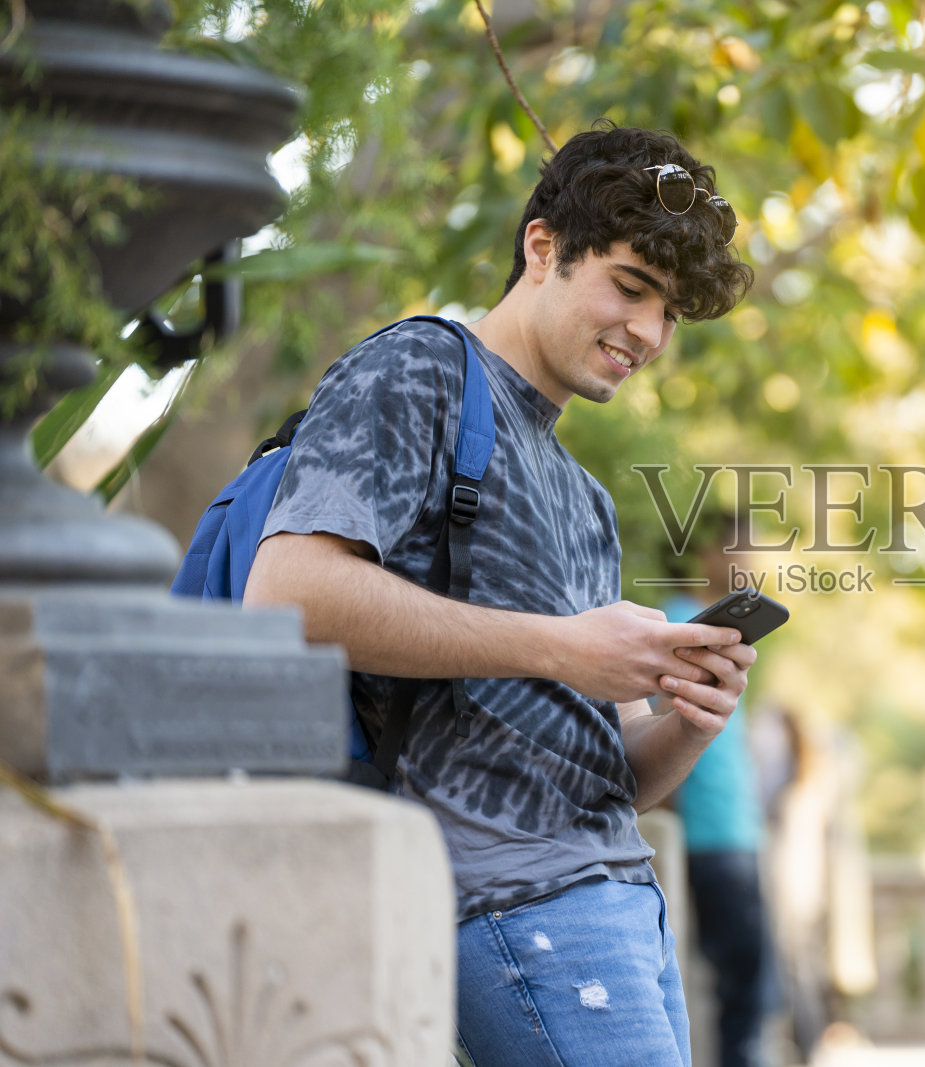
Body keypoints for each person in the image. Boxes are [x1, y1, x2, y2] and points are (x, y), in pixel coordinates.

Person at [242, 122, 758, 1067]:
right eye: (632, 288)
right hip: (512, 909)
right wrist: (563, 647)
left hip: (623, 908)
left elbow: (612, 778)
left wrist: (690, 717)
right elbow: (287, 595)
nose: (648, 333)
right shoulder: (420, 370)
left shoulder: (585, 499)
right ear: (543, 247)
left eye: (671, 312)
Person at [661, 517, 778, 1067]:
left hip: (739, 829)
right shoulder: (683, 621)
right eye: (738, 547)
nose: (749, 560)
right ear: (707, 551)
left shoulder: (730, 631)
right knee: (742, 986)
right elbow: (660, 723)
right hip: (708, 834)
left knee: (751, 983)